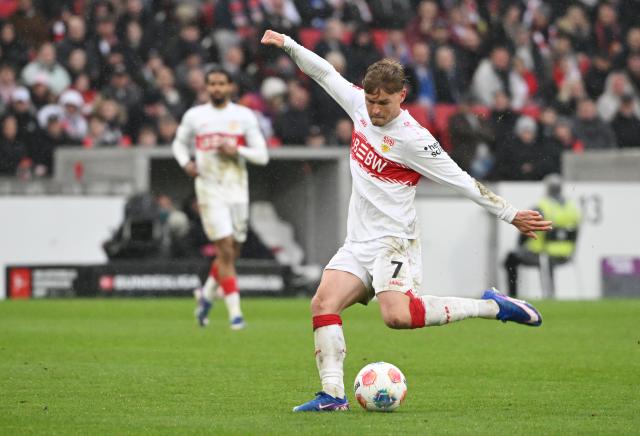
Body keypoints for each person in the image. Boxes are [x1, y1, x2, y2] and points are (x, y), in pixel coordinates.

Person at [261, 29, 552, 413]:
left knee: (398, 318)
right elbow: (324, 74)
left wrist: (510, 214)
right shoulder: (359, 107)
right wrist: (289, 44)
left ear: (401, 96)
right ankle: (333, 396)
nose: (375, 110)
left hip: (393, 242)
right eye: (370, 101)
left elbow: (460, 180)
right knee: (322, 303)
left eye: (383, 103)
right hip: (358, 241)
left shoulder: (415, 140)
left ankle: (493, 307)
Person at [172, 67, 269, 330]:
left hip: (237, 190)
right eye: (212, 84)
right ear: (206, 87)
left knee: (232, 253)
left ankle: (205, 296)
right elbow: (178, 144)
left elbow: (262, 155)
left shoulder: (243, 116)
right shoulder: (195, 116)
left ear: (230, 87)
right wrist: (185, 163)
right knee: (225, 249)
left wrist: (236, 149)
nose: (216, 88)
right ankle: (236, 315)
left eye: (221, 84)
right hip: (209, 190)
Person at [504, 174, 581, 298]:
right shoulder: (572, 208)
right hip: (566, 255)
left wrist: (519, 247)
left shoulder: (542, 207)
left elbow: (524, 230)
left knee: (510, 259)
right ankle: (550, 293)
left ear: (547, 188)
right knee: (545, 260)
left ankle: (513, 296)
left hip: (542, 253)